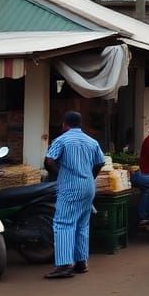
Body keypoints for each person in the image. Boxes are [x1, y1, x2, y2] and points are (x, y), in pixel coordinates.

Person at [43, 111, 106, 279]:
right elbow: (101, 162)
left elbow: (48, 161)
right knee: (82, 224)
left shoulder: (62, 140)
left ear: (64, 124)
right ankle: (81, 262)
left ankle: (64, 265)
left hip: (70, 187)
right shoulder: (91, 141)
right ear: (80, 124)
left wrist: (59, 175)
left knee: (63, 223)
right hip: (88, 186)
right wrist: (90, 175)